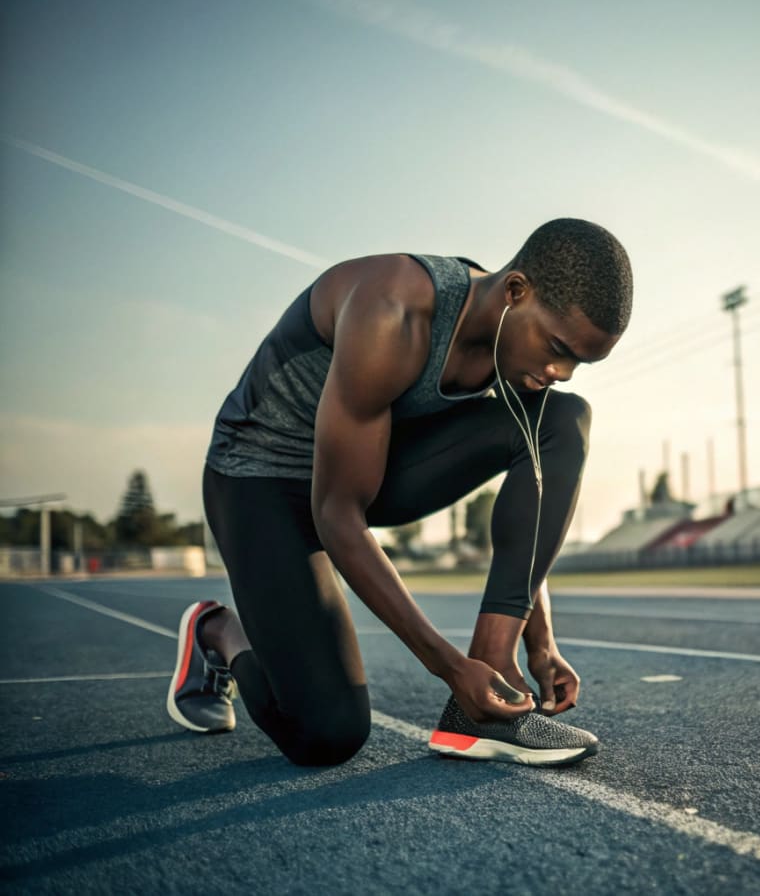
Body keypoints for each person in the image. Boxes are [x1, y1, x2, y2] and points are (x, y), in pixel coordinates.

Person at [167, 218, 632, 768]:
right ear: (515, 291)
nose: (564, 371)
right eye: (559, 349)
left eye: (581, 360)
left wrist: (540, 642)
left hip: (372, 465)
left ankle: (487, 700)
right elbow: (337, 513)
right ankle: (216, 631)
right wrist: (449, 666)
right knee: (326, 735)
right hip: (262, 479)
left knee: (563, 421)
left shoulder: (515, 346)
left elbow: (532, 502)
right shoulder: (392, 310)